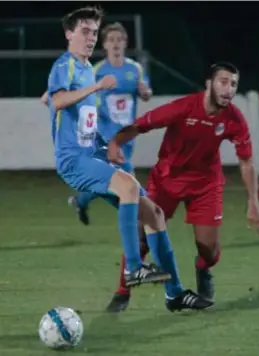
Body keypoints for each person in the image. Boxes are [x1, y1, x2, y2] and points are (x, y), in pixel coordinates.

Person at [47, 7, 212, 312]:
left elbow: (84, 118)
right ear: (69, 34)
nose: (90, 37)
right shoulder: (66, 65)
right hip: (73, 159)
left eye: (94, 32)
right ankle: (133, 268)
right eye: (85, 31)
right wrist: (95, 87)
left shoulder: (85, 69)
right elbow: (57, 100)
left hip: (93, 153)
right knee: (130, 188)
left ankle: (174, 294)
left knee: (155, 214)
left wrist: (106, 145)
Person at [108, 62, 259, 310]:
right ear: (209, 84)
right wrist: (116, 143)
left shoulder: (234, 119)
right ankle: (121, 293)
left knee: (208, 250)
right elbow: (141, 124)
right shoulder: (184, 108)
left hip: (206, 184)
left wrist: (253, 201)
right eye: (223, 82)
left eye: (233, 84)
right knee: (141, 237)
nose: (229, 89)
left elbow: (246, 162)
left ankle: (203, 268)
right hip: (167, 180)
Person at [68, 22, 153, 225]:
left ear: (125, 43)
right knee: (129, 181)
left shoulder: (135, 68)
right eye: (111, 40)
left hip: (128, 134)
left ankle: (82, 200)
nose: (116, 43)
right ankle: (145, 221)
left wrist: (145, 92)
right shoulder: (97, 71)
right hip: (108, 135)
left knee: (107, 180)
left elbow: (147, 93)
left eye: (119, 39)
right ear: (104, 45)